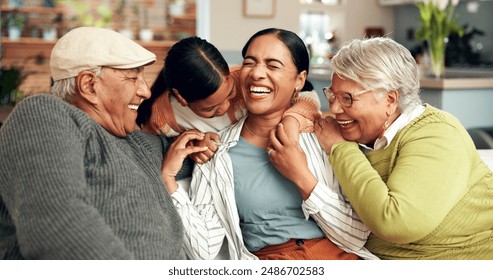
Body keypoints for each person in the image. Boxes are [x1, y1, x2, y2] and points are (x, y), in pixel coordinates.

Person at [165, 28, 378, 260]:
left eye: (273, 65)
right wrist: (167, 179)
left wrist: (302, 176)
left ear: (299, 80)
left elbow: (356, 236)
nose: (257, 73)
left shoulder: (327, 138)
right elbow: (203, 250)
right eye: (249, 62)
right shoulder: (216, 153)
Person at [0, 27, 207, 259]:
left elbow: (203, 157)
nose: (145, 91)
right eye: (133, 77)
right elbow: (58, 225)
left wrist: (211, 140)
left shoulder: (135, 142)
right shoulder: (44, 115)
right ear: (89, 85)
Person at [278, 37, 493, 259]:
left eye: (347, 98)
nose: (333, 108)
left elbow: (395, 222)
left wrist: (340, 149)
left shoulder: (438, 133)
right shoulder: (359, 132)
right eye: (332, 95)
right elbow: (305, 100)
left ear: (390, 100)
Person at [136, 36, 321, 163]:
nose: (225, 107)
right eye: (211, 108)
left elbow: (306, 93)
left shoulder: (245, 79)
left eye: (230, 93)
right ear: (181, 98)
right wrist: (192, 144)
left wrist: (293, 119)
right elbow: (163, 151)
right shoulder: (162, 118)